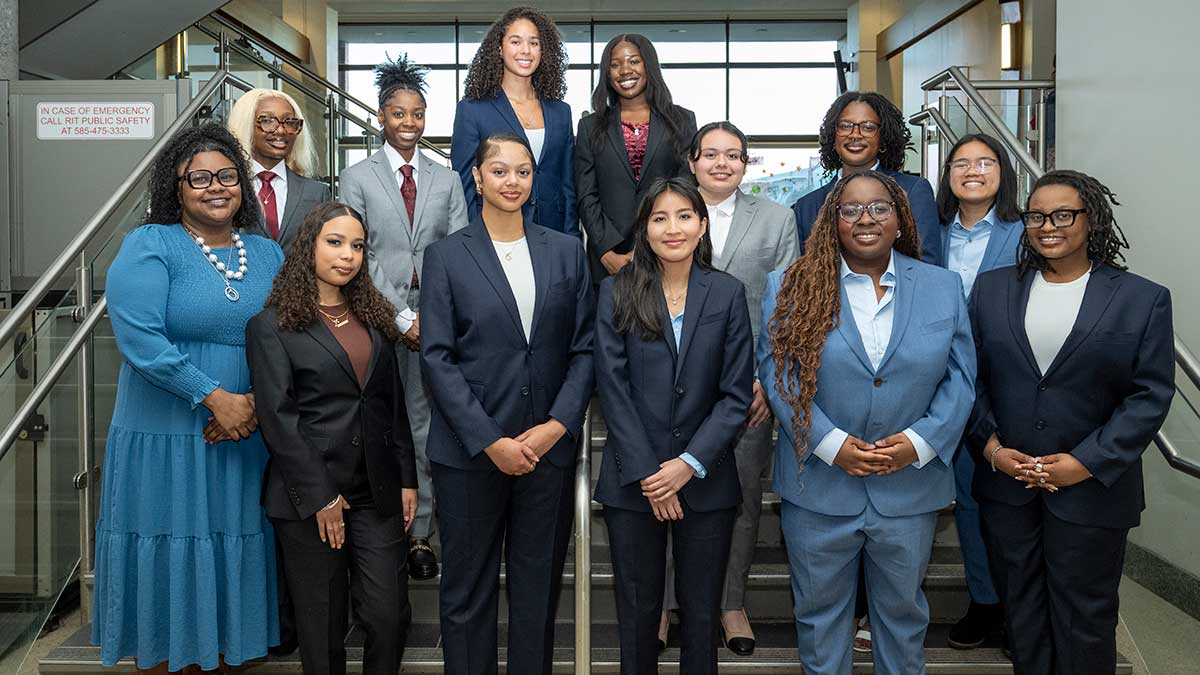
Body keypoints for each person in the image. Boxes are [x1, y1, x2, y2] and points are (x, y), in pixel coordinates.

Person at [761, 170, 975, 675]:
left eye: (879, 208)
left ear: (900, 220)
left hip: (909, 487)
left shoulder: (943, 287)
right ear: (832, 221)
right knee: (820, 621)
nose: (865, 219)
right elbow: (778, 374)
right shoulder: (790, 284)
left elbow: (962, 378)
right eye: (850, 209)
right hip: (819, 486)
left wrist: (920, 443)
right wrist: (830, 443)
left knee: (903, 621)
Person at [967, 170, 1174, 675]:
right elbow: (968, 379)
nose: (1047, 226)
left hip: (1093, 492)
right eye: (1036, 216)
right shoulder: (992, 290)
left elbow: (1149, 396)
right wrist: (991, 448)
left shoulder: (1141, 297)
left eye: (1063, 215)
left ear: (1092, 219)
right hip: (1008, 488)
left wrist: (1085, 462)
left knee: (1086, 619)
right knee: (1023, 615)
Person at [91, 124, 282, 673]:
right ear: (175, 186)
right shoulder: (149, 244)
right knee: (172, 539)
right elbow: (139, 339)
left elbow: (288, 333)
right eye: (199, 177)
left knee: (230, 537)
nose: (215, 187)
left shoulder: (266, 252)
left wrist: (250, 404)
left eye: (226, 176)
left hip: (243, 432)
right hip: (167, 429)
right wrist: (212, 396)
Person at [420, 132, 594, 675]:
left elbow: (585, 350)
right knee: (466, 595)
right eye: (499, 170)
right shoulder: (446, 255)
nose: (511, 181)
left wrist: (556, 427)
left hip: (547, 453)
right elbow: (437, 358)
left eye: (522, 171)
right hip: (470, 454)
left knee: (537, 591)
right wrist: (490, 440)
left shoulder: (566, 251)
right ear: (477, 177)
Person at [246, 202, 419, 675]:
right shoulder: (271, 326)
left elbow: (391, 405)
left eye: (358, 246)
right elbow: (278, 418)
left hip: (375, 492)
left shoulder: (374, 318)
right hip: (309, 497)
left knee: (388, 617)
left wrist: (407, 477)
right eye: (335, 242)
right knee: (322, 635)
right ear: (310, 247)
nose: (348, 255)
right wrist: (322, 497)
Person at [595, 176, 754, 674]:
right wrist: (651, 473)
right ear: (644, 228)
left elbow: (734, 395)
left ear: (702, 225)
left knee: (702, 616)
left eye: (684, 216)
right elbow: (611, 388)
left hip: (706, 480)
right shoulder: (616, 290)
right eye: (659, 218)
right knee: (639, 614)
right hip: (634, 484)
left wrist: (687, 465)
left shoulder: (728, 293)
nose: (673, 228)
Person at [658, 121, 800, 656]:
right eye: (711, 154)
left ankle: (730, 601)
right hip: (672, 388)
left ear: (746, 164)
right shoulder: (667, 210)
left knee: (739, 499)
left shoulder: (777, 218)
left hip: (746, 388)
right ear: (691, 161)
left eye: (734, 155)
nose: (722, 163)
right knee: (669, 494)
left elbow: (783, 308)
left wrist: (767, 378)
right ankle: (667, 605)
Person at [340, 55, 469, 581]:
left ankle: (421, 535)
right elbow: (358, 254)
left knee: (422, 425)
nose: (409, 123)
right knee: (372, 426)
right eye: (399, 113)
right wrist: (399, 317)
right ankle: (373, 528)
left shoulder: (449, 179)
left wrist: (429, 320)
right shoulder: (356, 178)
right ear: (380, 117)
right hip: (374, 318)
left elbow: (458, 250)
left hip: (435, 325)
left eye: (417, 113)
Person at [934, 133, 1023, 649]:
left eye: (985, 162)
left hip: (1001, 384)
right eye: (961, 163)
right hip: (937, 382)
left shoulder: (1022, 232)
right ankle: (984, 601)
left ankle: (1017, 608)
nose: (972, 171)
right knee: (965, 500)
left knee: (1000, 499)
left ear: (1002, 172)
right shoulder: (932, 233)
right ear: (947, 174)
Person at [575, 33, 697, 281]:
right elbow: (586, 193)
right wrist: (605, 250)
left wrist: (655, 243)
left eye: (633, 61)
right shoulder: (590, 126)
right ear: (607, 74)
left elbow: (685, 187)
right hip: (608, 259)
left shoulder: (682, 120)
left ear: (648, 65)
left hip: (665, 251)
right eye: (615, 64)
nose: (624, 70)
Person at [451, 6, 577, 236]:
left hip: (553, 232)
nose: (526, 51)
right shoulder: (472, 110)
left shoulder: (561, 112)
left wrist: (573, 239)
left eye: (534, 43)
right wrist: (472, 239)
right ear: (499, 49)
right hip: (493, 232)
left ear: (543, 50)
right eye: (516, 42)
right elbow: (465, 187)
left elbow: (568, 186)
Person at [791, 92, 941, 266]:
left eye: (868, 127)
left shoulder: (914, 191)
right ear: (833, 137)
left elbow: (927, 266)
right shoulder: (807, 206)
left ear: (883, 137)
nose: (855, 134)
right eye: (845, 126)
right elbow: (804, 273)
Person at [228, 88, 331, 253]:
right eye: (268, 121)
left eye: (290, 122)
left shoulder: (317, 193)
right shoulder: (226, 189)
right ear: (246, 125)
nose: (281, 131)